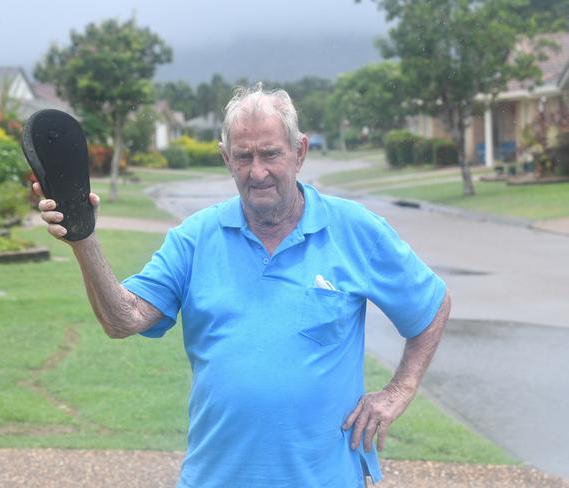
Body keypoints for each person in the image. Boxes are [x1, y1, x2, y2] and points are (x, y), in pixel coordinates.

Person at [35, 85, 451, 488]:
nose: (257, 172)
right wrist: (83, 239)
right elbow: (123, 318)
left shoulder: (355, 229)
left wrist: (400, 390)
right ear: (225, 159)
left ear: (299, 151)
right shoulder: (195, 238)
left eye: (271, 154)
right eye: (243, 157)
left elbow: (431, 306)